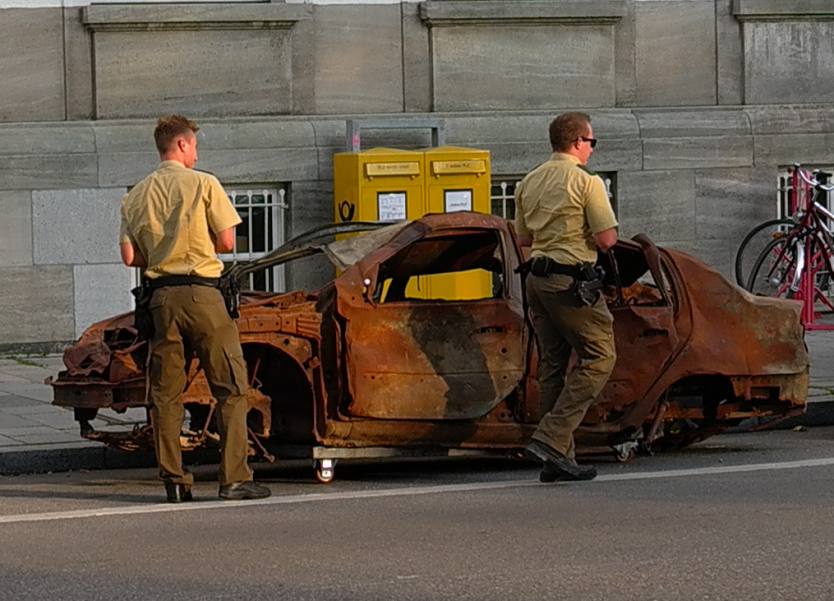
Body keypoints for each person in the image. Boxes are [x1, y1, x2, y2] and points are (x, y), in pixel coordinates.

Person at [119, 115, 271, 503]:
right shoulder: (205, 183)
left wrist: (163, 249)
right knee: (231, 388)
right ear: (183, 145)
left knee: (166, 396)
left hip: (161, 300)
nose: (197, 153)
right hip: (204, 296)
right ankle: (233, 478)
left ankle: (174, 481)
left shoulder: (135, 195)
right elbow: (227, 242)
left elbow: (130, 256)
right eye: (195, 146)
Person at [514, 112, 618, 483]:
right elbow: (607, 240)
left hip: (537, 283)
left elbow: (523, 239)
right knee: (600, 357)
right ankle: (552, 436)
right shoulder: (586, 183)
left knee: (553, 366)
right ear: (577, 143)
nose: (592, 148)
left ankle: (557, 460)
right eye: (591, 142)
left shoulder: (529, 180)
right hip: (571, 283)